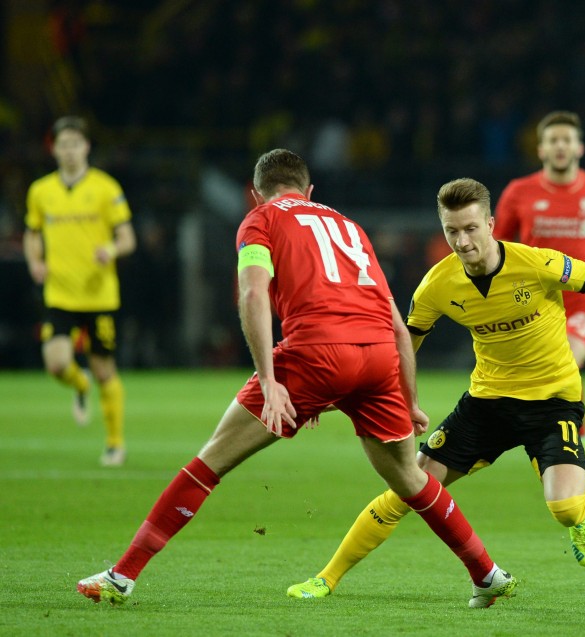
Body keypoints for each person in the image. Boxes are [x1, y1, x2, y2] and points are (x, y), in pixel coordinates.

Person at [76, 150, 517, 609]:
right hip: (378, 359)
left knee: (210, 462)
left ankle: (122, 575)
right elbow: (398, 328)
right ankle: (487, 573)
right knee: (410, 477)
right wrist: (409, 401)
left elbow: (252, 293)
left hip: (314, 353)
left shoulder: (260, 219)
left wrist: (270, 380)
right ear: (309, 191)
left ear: (255, 194)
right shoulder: (350, 227)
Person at [287, 177, 585, 599]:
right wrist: (344, 394)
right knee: (407, 487)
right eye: (451, 231)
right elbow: (401, 350)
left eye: (470, 229)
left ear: (491, 225)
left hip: (552, 403)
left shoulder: (537, 264)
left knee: (564, 507)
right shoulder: (437, 285)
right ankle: (326, 579)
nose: (462, 241)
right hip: (486, 405)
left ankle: (581, 515)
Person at [492, 110, 585, 517]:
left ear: (580, 147)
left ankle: (577, 457)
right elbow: (497, 241)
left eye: (566, 139)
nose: (560, 146)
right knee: (549, 380)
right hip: (536, 302)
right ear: (540, 149)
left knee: (566, 362)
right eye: (552, 140)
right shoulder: (519, 192)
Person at [24, 116, 137, 467]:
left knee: (105, 370)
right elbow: (32, 232)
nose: (70, 150)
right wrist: (35, 261)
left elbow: (127, 238)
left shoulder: (106, 188)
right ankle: (79, 383)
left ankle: (115, 444)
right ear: (54, 149)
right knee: (57, 365)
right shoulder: (40, 191)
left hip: (98, 294)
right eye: (64, 144)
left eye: (75, 143)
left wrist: (111, 250)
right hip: (59, 292)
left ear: (86, 147)